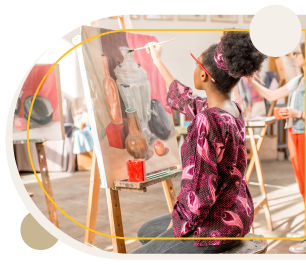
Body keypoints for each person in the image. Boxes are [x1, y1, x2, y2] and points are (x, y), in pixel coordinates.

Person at [130, 31, 267, 254]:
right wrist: (157, 61)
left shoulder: (206, 121)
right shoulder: (231, 111)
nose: (193, 68)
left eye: (196, 63)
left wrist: (176, 224)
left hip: (214, 228)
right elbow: (184, 99)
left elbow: (199, 193)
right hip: (237, 213)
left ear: (203, 75)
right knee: (147, 230)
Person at [247, 42, 305, 254]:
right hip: (294, 135)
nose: (293, 55)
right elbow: (272, 96)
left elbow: (299, 112)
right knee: (302, 186)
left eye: (297, 53)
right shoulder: (298, 80)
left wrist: (298, 114)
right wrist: (251, 80)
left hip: (304, 135)